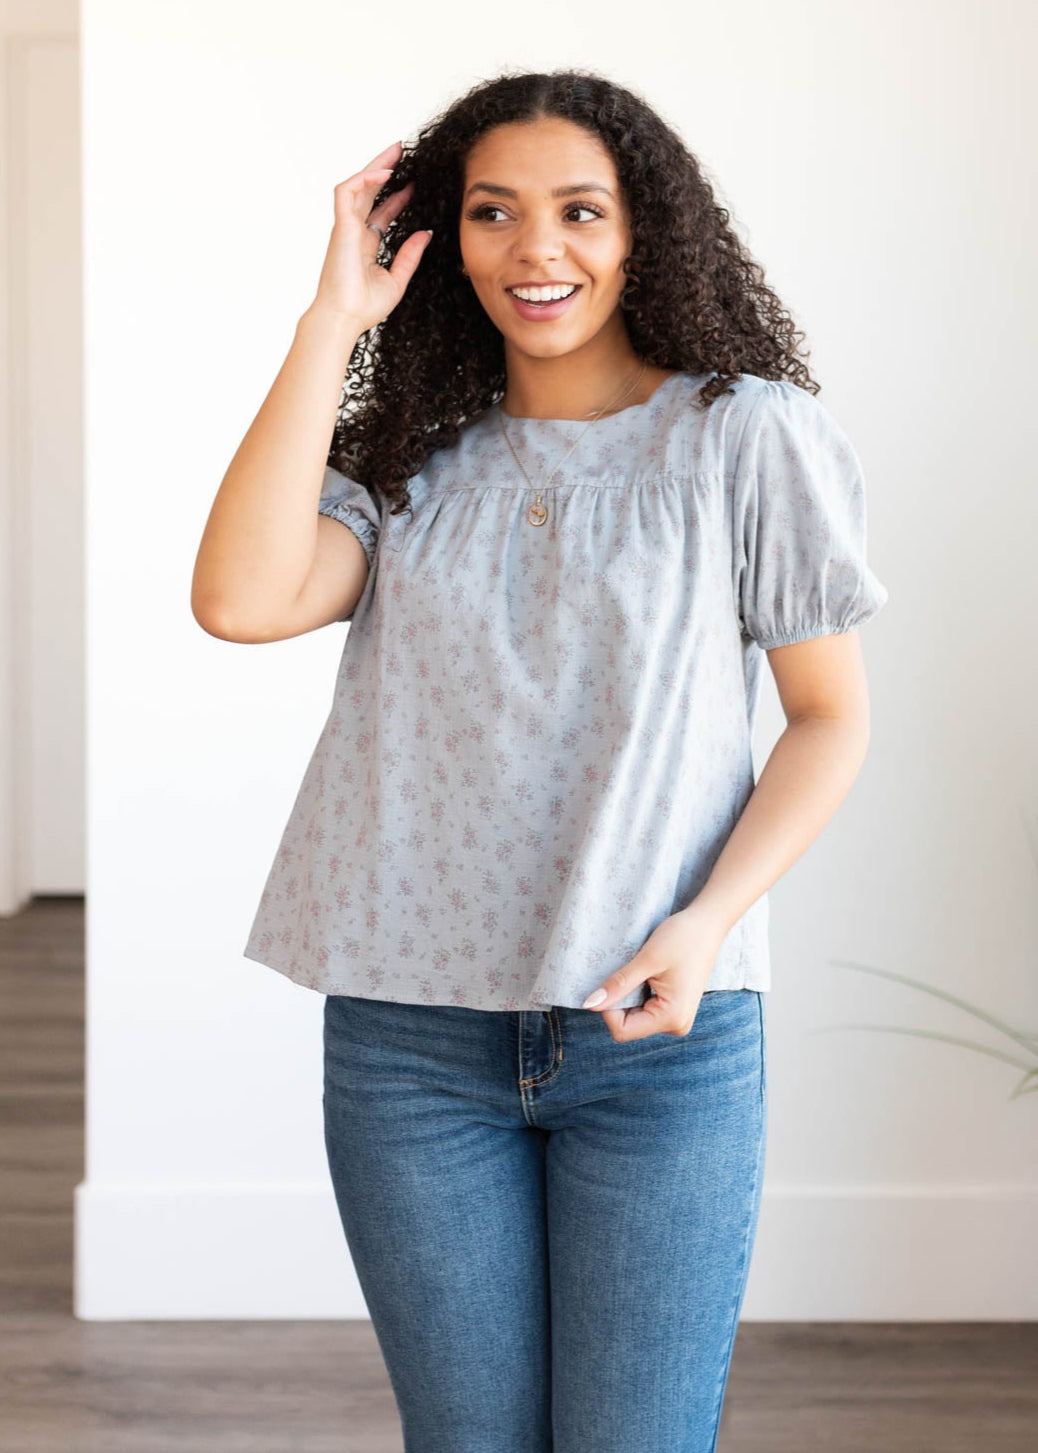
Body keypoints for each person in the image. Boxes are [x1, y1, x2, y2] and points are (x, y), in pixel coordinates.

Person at [192, 68, 888, 1453]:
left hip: (659, 1040)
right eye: (492, 214)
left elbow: (827, 717)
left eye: (580, 211)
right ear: (441, 239)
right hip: (408, 1042)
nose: (537, 250)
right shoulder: (404, 456)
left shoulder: (742, 436)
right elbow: (241, 598)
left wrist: (702, 924)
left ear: (647, 231)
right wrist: (332, 317)